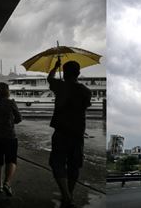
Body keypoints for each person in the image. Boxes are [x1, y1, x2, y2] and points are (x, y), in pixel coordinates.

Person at [48, 60, 92, 208]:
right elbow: (85, 106)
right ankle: (69, 195)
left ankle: (66, 195)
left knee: (57, 163)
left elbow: (49, 78)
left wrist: (55, 67)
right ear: (78, 73)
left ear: (64, 73)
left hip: (61, 131)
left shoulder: (60, 86)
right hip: (77, 133)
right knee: (74, 165)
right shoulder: (86, 91)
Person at [0, 82, 22, 197]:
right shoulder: (11, 103)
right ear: (7, 91)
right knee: (11, 160)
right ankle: (7, 183)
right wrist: (11, 122)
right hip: (9, 136)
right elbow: (19, 118)